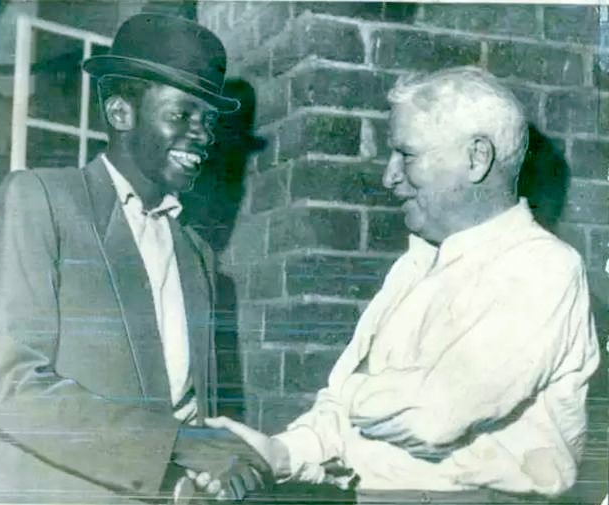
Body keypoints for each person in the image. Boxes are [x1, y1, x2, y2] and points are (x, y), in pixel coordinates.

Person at [197, 66, 601, 502]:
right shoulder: (416, 265)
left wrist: (352, 394)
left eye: (406, 155)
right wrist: (277, 452)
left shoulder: (543, 267)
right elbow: (342, 412)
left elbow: (433, 418)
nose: (389, 176)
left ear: (477, 158)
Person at [0, 13, 269, 504]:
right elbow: (13, 386)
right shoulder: (41, 201)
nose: (202, 134)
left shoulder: (196, 255)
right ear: (121, 112)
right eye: (181, 114)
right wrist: (178, 445)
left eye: (209, 120)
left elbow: (196, 409)